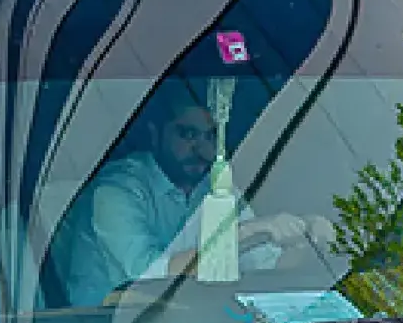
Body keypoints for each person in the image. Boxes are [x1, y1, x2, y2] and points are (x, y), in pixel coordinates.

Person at [54, 85, 330, 307]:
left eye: (210, 137)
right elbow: (149, 277)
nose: (202, 148)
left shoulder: (215, 188)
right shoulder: (117, 191)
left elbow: (267, 266)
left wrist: (307, 241)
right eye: (188, 134)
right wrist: (245, 233)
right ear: (155, 134)